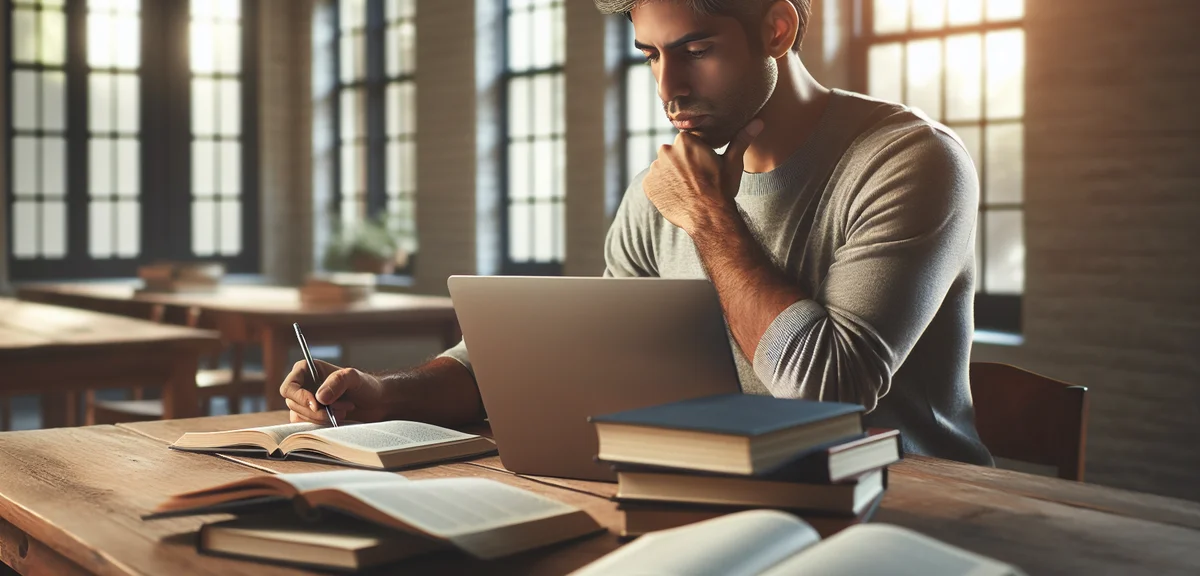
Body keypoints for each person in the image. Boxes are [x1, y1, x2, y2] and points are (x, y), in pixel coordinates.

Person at [282, 0, 993, 465]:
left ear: (777, 29)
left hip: (907, 513)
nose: (668, 87)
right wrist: (385, 393)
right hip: (722, 498)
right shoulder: (664, 188)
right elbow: (578, 359)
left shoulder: (909, 161)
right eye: (652, 55)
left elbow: (824, 394)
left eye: (696, 48)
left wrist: (714, 219)